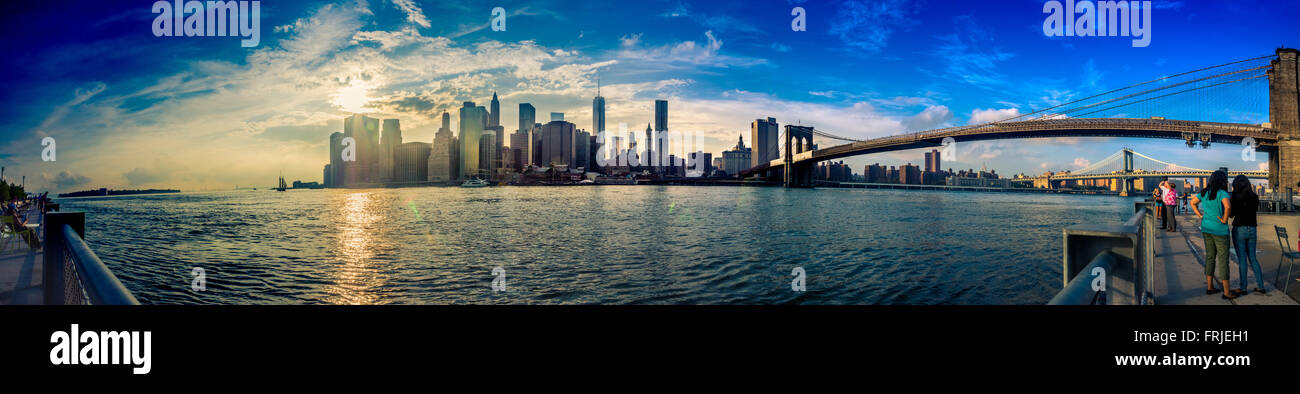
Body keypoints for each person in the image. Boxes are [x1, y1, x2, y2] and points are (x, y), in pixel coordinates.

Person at [1191, 170, 1235, 299]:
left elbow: (1193, 203)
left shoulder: (1204, 193)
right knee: (1223, 259)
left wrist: (1199, 215)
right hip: (1220, 230)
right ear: (1223, 181)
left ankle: (1210, 287)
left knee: (1210, 257)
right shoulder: (1222, 193)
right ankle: (1227, 292)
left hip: (1206, 228)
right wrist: (1225, 219)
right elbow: (1227, 207)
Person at [1229, 175, 1265, 295]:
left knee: (1242, 259)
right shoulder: (1254, 196)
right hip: (1252, 229)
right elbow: (1253, 211)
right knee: (1253, 258)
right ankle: (1261, 286)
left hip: (1239, 229)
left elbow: (1231, 215)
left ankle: (1243, 288)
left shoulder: (1234, 196)